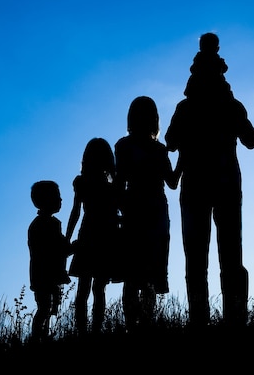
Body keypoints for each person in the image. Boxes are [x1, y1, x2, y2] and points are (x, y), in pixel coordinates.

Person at [164, 33, 254, 328]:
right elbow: (252, 140)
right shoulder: (230, 105)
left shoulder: (186, 107)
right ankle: (235, 319)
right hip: (226, 181)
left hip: (195, 184)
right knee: (230, 253)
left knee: (196, 256)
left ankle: (200, 321)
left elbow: (170, 141)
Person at [113, 96, 179, 332]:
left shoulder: (123, 146)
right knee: (148, 273)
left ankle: (133, 325)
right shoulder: (158, 149)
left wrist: (120, 211)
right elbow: (172, 182)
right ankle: (145, 325)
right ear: (155, 119)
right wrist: (182, 157)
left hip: (135, 211)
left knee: (134, 274)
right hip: (154, 212)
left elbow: (119, 184)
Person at [65, 137, 120, 335]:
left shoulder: (82, 182)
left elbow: (75, 212)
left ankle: (83, 332)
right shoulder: (112, 187)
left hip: (88, 235)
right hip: (106, 237)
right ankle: (95, 330)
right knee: (99, 288)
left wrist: (67, 237)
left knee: (84, 288)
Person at [28, 180, 73, 342]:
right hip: (47, 275)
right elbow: (59, 249)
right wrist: (75, 246)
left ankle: (41, 337)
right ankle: (38, 338)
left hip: (41, 275)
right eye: (57, 197)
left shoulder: (38, 224)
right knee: (45, 308)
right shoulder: (49, 224)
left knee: (46, 307)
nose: (61, 201)